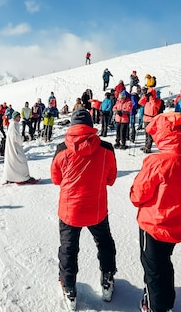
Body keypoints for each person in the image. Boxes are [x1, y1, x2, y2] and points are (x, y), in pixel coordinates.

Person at [130, 112, 181, 312]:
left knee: (153, 268)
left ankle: (155, 306)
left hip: (154, 224)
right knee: (163, 262)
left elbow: (138, 195)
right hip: (179, 223)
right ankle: (165, 303)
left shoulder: (157, 161)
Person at [51, 109, 118, 309]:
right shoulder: (106, 148)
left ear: (72, 126)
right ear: (90, 125)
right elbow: (111, 179)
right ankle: (107, 280)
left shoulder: (61, 148)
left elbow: (56, 179)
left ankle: (69, 289)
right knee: (104, 243)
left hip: (70, 211)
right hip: (97, 209)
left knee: (68, 249)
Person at [3, 111, 37, 184]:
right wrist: (23, 138)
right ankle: (24, 177)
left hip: (15, 146)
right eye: (19, 116)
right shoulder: (13, 125)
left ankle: (13, 177)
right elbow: (15, 137)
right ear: (15, 117)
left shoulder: (14, 124)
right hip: (14, 147)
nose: (20, 118)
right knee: (22, 160)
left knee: (14, 162)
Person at [138, 87, 163, 153]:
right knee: (146, 133)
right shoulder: (147, 100)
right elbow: (140, 102)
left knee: (150, 134)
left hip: (152, 119)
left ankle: (148, 147)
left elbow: (154, 106)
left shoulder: (157, 101)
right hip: (146, 118)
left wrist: (151, 97)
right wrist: (145, 96)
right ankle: (146, 145)